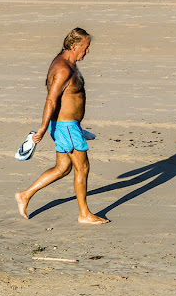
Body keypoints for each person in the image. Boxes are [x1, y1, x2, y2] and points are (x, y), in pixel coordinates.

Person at [15, 28, 109, 224]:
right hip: (66, 127)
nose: (87, 52)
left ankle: (25, 195)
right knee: (82, 168)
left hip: (67, 126)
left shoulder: (65, 62)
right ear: (75, 46)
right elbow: (51, 100)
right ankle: (84, 214)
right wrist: (42, 128)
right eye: (85, 47)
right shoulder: (63, 69)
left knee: (63, 168)